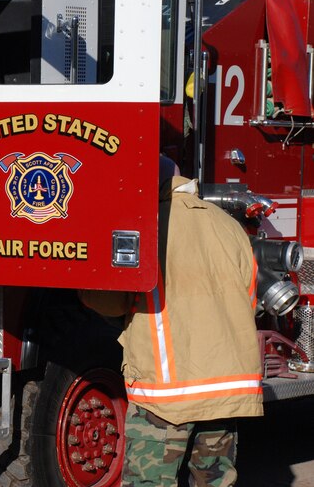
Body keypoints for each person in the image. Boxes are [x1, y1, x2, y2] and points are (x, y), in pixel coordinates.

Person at [80, 156, 262, 487]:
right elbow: (249, 298)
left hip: (166, 396)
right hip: (226, 391)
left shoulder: (145, 225)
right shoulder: (229, 225)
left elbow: (107, 299)